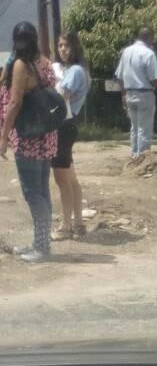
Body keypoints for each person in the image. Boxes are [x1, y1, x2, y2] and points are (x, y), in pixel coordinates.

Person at [0, 22, 58, 262]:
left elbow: (14, 104)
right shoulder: (44, 62)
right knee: (42, 191)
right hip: (47, 135)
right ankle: (40, 243)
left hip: (29, 139)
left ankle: (42, 248)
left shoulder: (21, 65)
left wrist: (3, 137)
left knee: (33, 193)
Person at [50, 32, 91, 241]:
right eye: (59, 46)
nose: (62, 49)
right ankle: (78, 223)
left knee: (61, 179)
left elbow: (60, 98)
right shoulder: (78, 70)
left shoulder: (74, 71)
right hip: (69, 124)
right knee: (71, 177)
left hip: (63, 126)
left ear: (75, 47)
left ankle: (66, 226)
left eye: (66, 45)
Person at [115, 27, 157, 159]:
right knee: (144, 127)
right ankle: (143, 157)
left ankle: (134, 155)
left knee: (135, 127)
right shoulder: (148, 53)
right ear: (149, 38)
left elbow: (119, 77)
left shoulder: (126, 52)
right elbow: (154, 80)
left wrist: (123, 95)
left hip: (129, 93)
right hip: (145, 93)